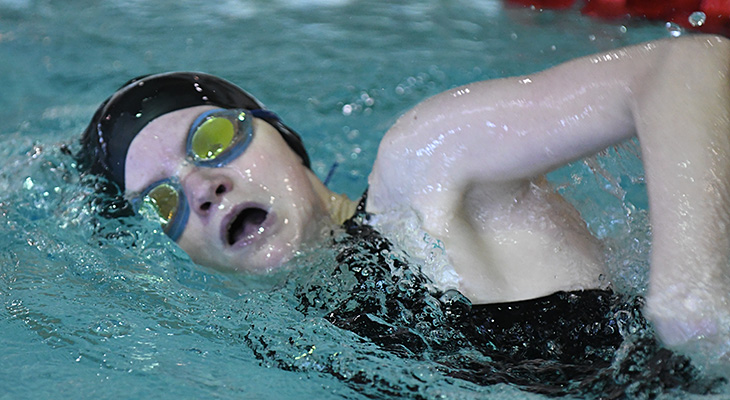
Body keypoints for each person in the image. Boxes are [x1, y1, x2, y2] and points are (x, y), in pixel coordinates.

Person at [80, 34, 730, 365]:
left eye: (214, 138)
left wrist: (690, 301)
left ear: (285, 136)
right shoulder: (283, 338)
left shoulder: (422, 170)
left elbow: (688, 66)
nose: (199, 188)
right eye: (160, 202)